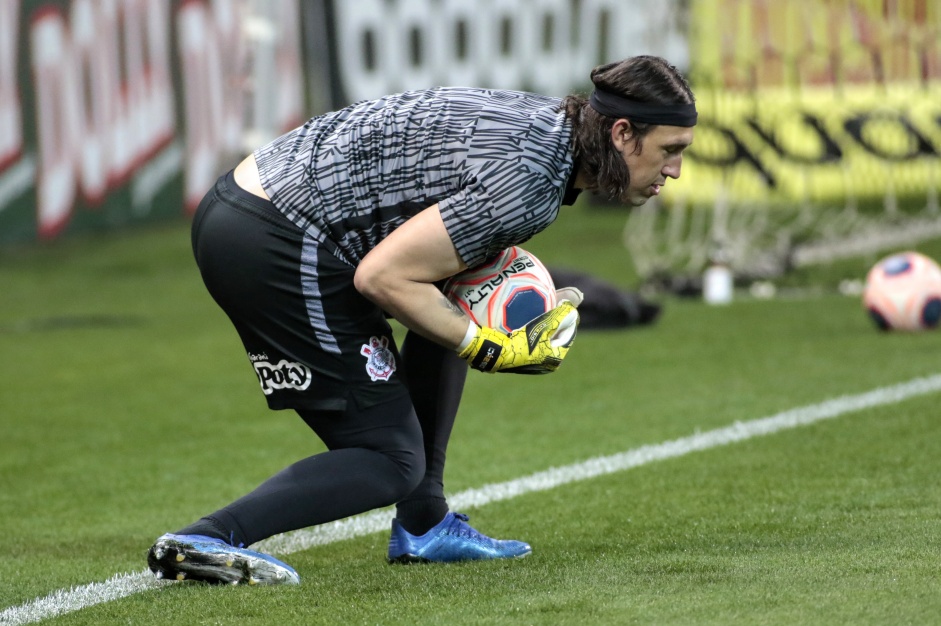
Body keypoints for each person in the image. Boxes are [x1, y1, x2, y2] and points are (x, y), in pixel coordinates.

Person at [146, 55, 697, 585]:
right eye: (670, 150)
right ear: (622, 134)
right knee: (390, 458)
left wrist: (465, 323)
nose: (674, 170)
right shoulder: (529, 179)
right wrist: (484, 345)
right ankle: (207, 538)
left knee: (457, 287)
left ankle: (425, 524)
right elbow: (381, 278)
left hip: (259, 210)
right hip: (274, 237)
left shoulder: (553, 129)